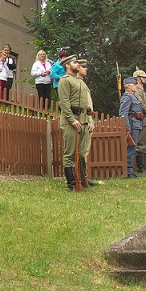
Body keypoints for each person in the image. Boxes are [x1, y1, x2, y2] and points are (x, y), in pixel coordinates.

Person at [57, 54, 94, 190]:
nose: (77, 64)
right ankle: (72, 184)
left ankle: (82, 180)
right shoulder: (64, 80)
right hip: (71, 120)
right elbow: (64, 103)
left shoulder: (79, 81)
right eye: (74, 62)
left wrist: (89, 119)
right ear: (67, 65)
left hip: (83, 120)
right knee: (70, 153)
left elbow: (87, 104)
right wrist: (72, 120)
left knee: (82, 152)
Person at [119, 77, 144, 177]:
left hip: (137, 123)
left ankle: (130, 169)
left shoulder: (133, 96)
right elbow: (123, 113)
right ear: (128, 86)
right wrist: (127, 127)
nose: (136, 86)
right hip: (132, 123)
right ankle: (129, 170)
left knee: (133, 147)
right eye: (134, 84)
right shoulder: (127, 97)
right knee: (131, 147)